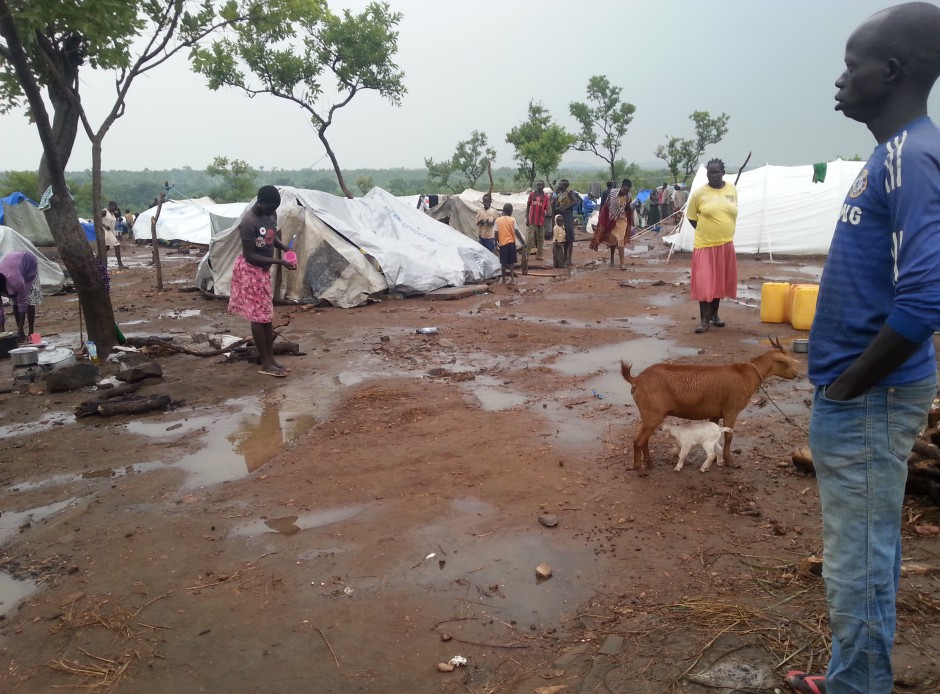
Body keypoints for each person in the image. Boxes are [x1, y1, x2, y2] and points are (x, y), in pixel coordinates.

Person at [787, 5, 940, 694]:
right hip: (859, 394)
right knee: (862, 548)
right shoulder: (889, 155)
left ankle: (859, 688)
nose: (840, 82)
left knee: (859, 558)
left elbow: (925, 299)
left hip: (871, 398)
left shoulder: (916, 156)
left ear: (894, 72)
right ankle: (854, 674)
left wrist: (849, 387)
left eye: (852, 67)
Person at [227, 185, 297, 378]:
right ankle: (265, 362)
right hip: (251, 271)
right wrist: (280, 261)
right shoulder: (248, 223)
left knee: (266, 316)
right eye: (269, 208)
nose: (272, 212)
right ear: (260, 202)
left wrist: (282, 247)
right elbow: (250, 256)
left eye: (275, 208)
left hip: (263, 272)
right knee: (258, 317)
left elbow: (270, 237)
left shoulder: (270, 215)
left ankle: (271, 359)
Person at [685, 159, 737, 333]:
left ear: (723, 172)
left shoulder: (732, 189)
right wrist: (704, 231)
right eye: (710, 172)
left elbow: (732, 213)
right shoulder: (699, 193)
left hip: (725, 244)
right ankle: (704, 321)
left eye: (716, 172)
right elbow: (692, 216)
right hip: (705, 244)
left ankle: (715, 315)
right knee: (704, 282)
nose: (713, 175)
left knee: (718, 282)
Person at [0, 250, 39, 341]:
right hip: (11, 264)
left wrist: (20, 329)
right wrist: (1, 330)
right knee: (14, 301)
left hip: (29, 264)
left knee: (29, 299)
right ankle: (20, 333)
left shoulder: (16, 281)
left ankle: (30, 332)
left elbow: (22, 302)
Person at [605, 179, 633, 270]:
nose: (626, 192)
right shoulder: (613, 192)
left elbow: (628, 207)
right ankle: (612, 258)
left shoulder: (629, 196)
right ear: (621, 187)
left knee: (620, 239)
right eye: (625, 190)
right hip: (612, 218)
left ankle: (622, 263)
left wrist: (631, 216)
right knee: (612, 240)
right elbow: (607, 203)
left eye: (627, 191)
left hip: (622, 218)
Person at [552, 179, 579, 267]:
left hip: (568, 215)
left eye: (561, 184)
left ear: (565, 186)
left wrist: (566, 208)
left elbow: (575, 202)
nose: (559, 185)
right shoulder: (559, 193)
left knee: (569, 237)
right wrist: (557, 206)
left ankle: (569, 259)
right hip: (561, 215)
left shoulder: (569, 192)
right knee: (563, 237)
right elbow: (558, 203)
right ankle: (565, 257)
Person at [494, 203, 520, 284]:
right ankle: (512, 279)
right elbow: (517, 232)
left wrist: (496, 243)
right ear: (511, 211)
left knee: (503, 263)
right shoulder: (512, 220)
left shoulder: (498, 220)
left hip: (503, 244)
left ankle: (504, 280)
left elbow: (496, 233)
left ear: (503, 210)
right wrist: (523, 242)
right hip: (511, 243)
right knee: (511, 263)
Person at [526, 180, 550, 260]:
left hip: (541, 220)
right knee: (530, 237)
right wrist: (527, 218)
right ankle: (526, 254)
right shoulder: (532, 195)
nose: (538, 186)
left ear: (543, 186)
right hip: (532, 220)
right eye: (538, 184)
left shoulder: (546, 197)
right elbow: (528, 205)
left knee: (541, 238)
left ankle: (539, 255)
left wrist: (546, 221)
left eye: (540, 185)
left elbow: (546, 209)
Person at [100, 200, 127, 269]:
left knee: (106, 248)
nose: (115, 209)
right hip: (105, 231)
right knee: (117, 245)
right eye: (114, 207)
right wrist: (104, 226)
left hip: (111, 232)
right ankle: (120, 264)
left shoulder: (112, 214)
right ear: (111, 206)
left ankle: (96, 261)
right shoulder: (104, 211)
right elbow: (97, 220)